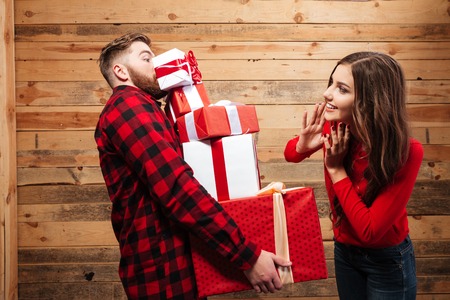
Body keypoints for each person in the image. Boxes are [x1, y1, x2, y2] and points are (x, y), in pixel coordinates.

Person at [94, 32, 291, 299]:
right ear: (120, 71)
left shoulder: (149, 108)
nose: (157, 65)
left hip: (176, 261)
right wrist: (247, 255)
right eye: (146, 58)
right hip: (161, 270)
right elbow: (177, 188)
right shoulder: (129, 107)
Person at [284, 52, 423, 299]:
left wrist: (336, 170)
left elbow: (369, 231)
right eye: (331, 83)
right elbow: (290, 155)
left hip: (387, 261)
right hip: (345, 253)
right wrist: (303, 146)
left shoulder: (407, 151)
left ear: (370, 101)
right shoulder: (336, 127)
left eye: (342, 89)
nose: (327, 93)